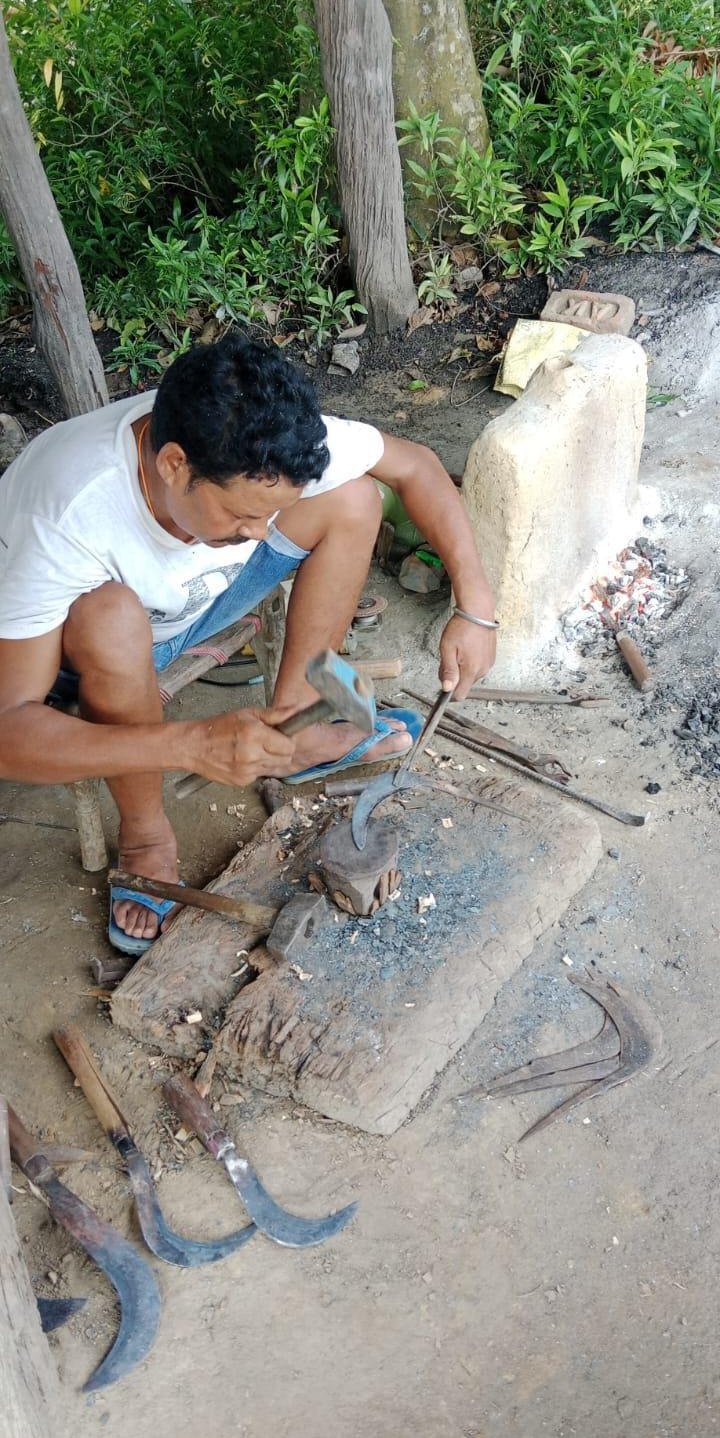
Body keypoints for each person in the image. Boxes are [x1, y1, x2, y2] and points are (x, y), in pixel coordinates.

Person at [0, 335, 497, 953]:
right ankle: (147, 836)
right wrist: (191, 742)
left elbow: (415, 464)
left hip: (196, 598)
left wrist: (477, 611)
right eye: (241, 515)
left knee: (353, 497)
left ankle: (295, 721)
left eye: (267, 516)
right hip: (88, 649)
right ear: (174, 465)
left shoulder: (263, 436)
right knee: (110, 616)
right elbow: (9, 730)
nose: (257, 535)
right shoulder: (64, 512)